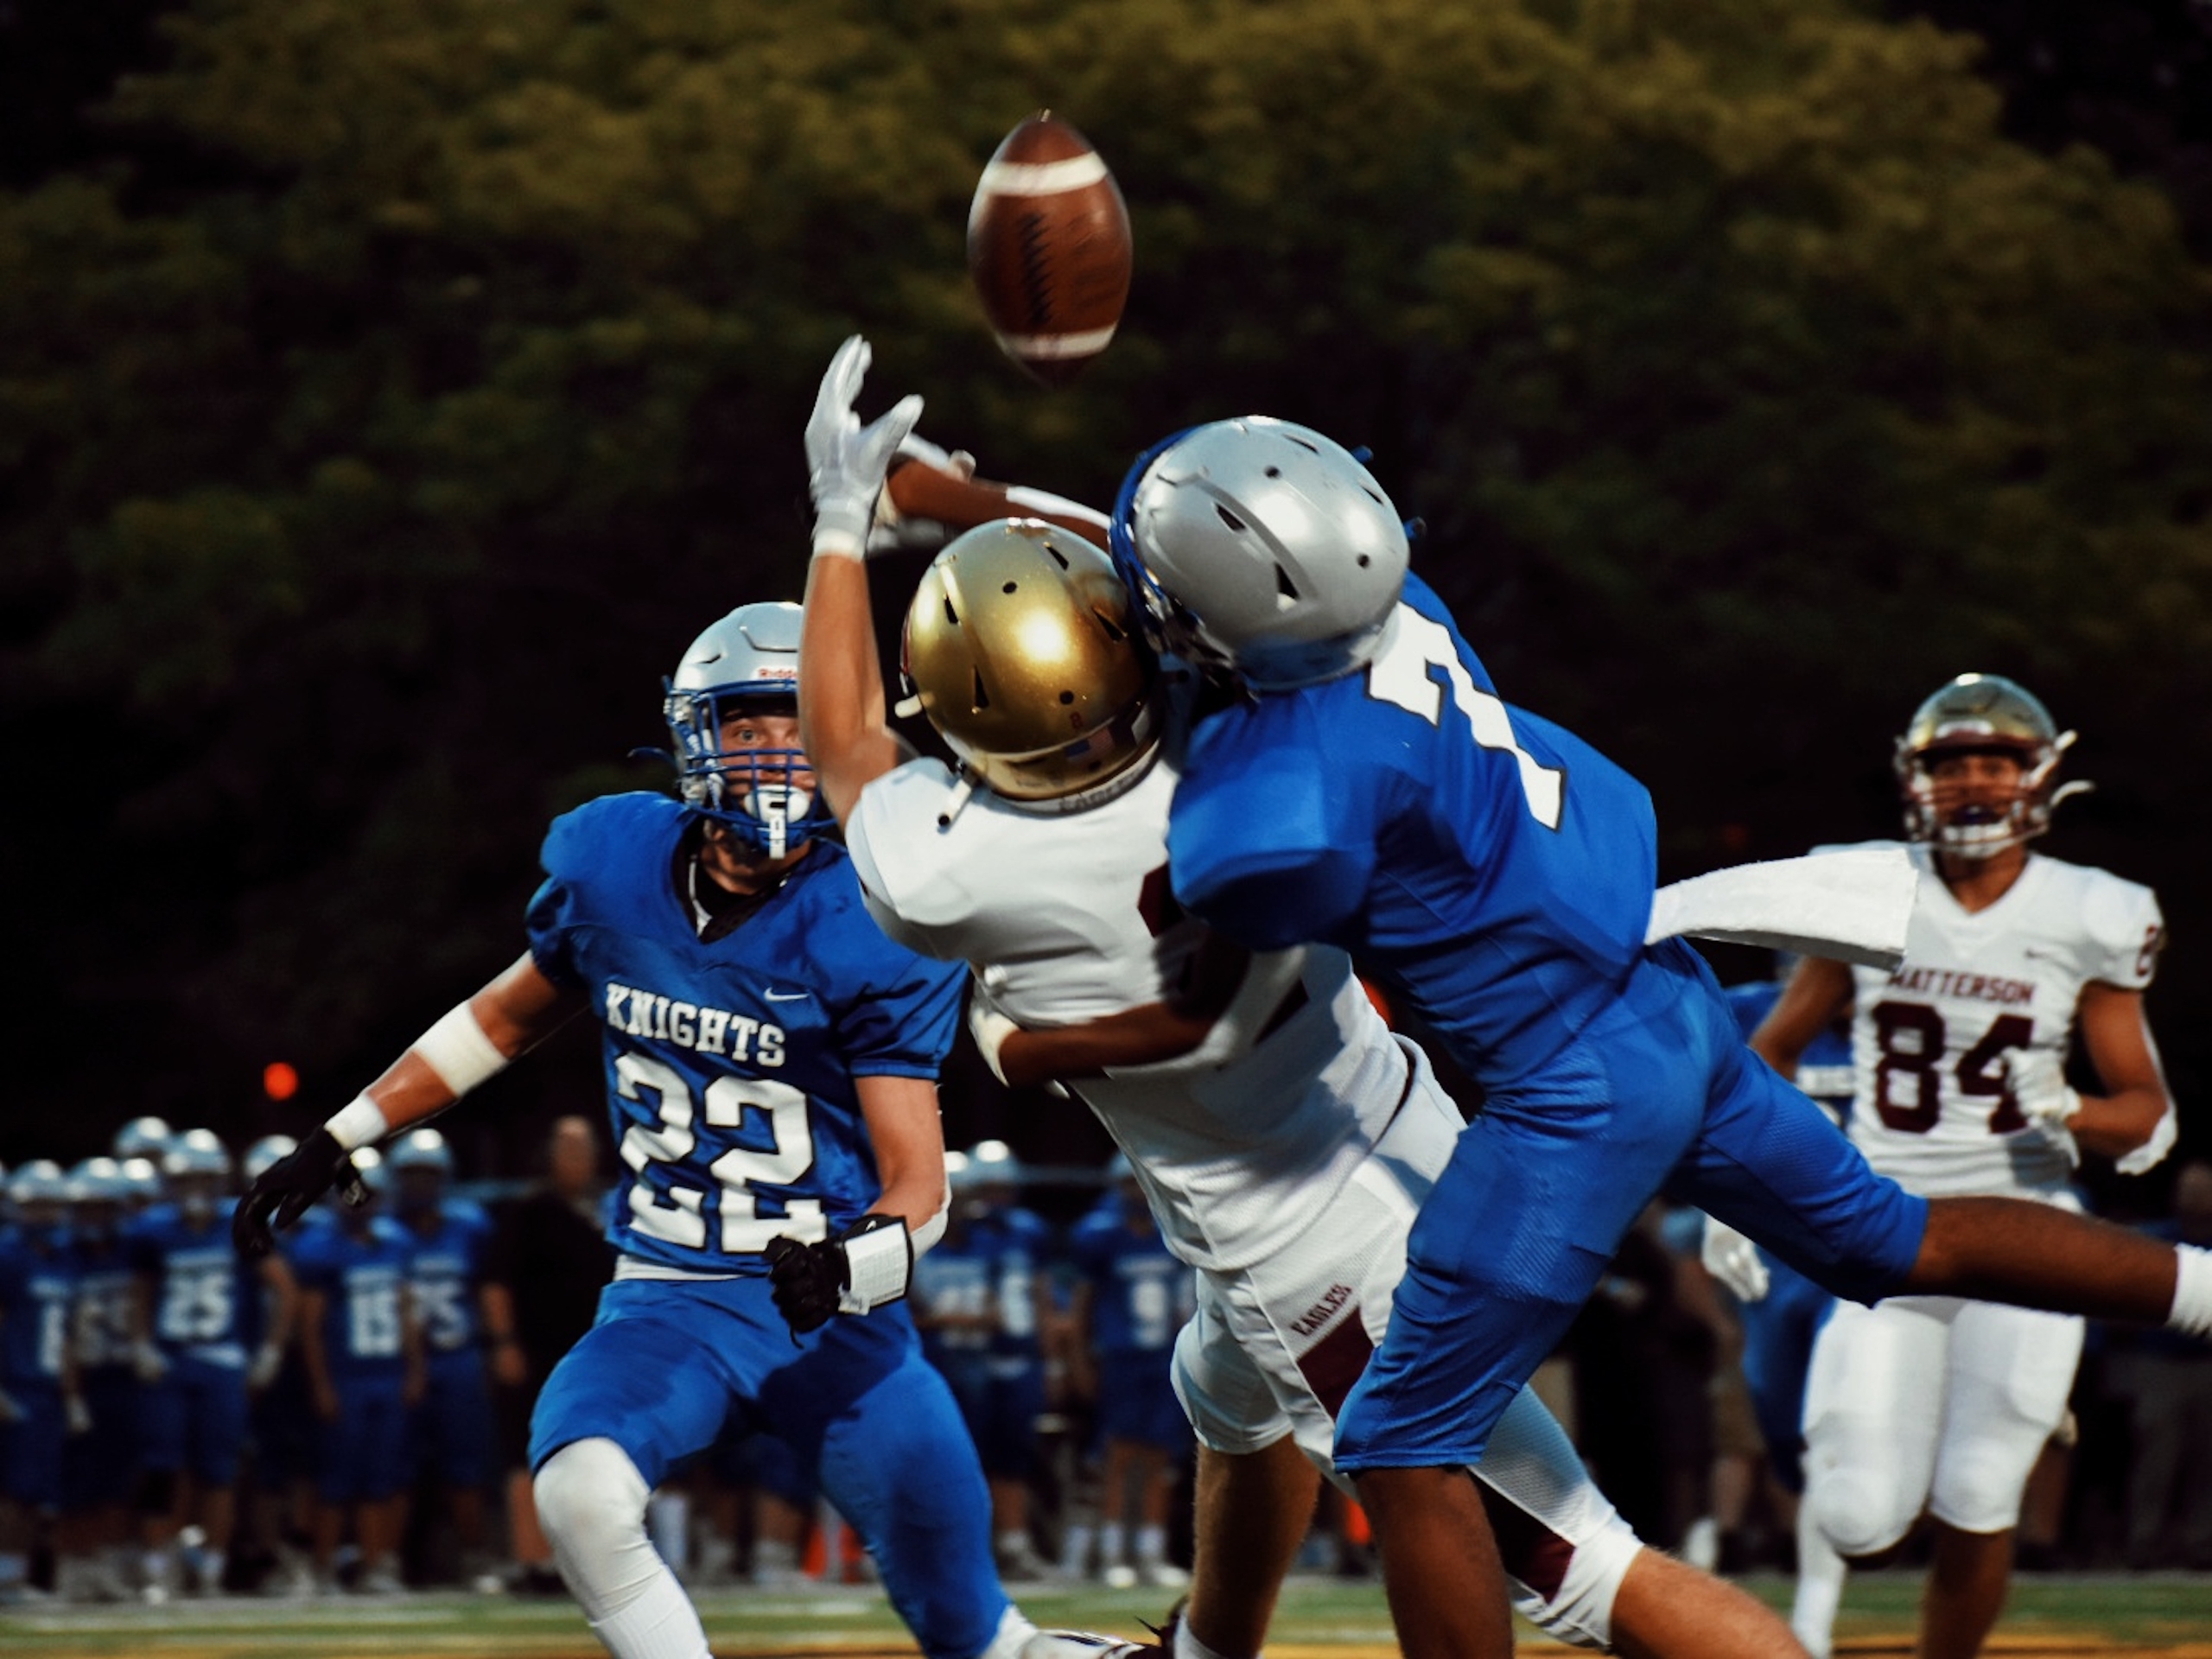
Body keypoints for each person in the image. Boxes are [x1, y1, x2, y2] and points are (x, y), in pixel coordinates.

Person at [1094, 412, 2212, 1659]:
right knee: (1898, 1236)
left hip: (1571, 1089)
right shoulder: (1404, 608)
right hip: (1666, 990)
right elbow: (1236, 609)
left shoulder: (1283, 788)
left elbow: (1228, 909)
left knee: (1407, 1444)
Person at [791, 336, 1827, 1659]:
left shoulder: (960, 863)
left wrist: (838, 526)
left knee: (1579, 1572)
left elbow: (845, 749)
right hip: (1395, 1127)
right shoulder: (1243, 727)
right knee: (1230, 1399)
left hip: (1307, 1255)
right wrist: (971, 501)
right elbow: (1181, 560)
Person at [232, 599, 1130, 1659]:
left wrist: (848, 1270)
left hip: (836, 1322)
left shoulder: (878, 918)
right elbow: (504, 1018)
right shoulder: (612, 866)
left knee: (980, 1635)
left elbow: (916, 1184)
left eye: (799, 723)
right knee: (578, 1492)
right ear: (693, 735)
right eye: (748, 725)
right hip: (668, 1295)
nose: (776, 753)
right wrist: (348, 1130)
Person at [1744, 672, 2172, 1659]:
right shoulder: (1862, 887)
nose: (1972, 781)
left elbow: (2146, 1113)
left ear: (2038, 778)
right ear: (1913, 777)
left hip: (2026, 1221)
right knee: (1858, 1513)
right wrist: (1749, 1201)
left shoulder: (2092, 912)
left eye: (1995, 761)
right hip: (1887, 1222)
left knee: (1980, 1488)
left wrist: (2077, 1110)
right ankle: (1820, 1578)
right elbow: (1763, 1062)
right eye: (1951, 763)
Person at [129, 1128, 294, 1600]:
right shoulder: (153, 1229)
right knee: (165, 1465)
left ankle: (212, 1568)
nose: (197, 1189)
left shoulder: (238, 1221)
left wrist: (270, 1350)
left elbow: (281, 1287)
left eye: (205, 1178)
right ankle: (160, 1564)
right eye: (188, 1178)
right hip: (171, 1359)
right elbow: (141, 1292)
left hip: (223, 1360)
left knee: (219, 1470)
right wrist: (141, 1343)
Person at [289, 1150, 420, 1594]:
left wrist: (414, 1369)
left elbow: (406, 1312)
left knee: (382, 1477)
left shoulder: (396, 1242)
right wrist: (322, 1384)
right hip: (347, 1375)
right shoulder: (319, 1249)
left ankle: (375, 1565)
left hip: (387, 1372)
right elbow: (310, 1327)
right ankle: (324, 1567)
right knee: (336, 1478)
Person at [1066, 1157, 1194, 1590]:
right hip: (1121, 1356)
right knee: (1119, 1456)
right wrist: (1079, 1359)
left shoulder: (1174, 1232)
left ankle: (1149, 1551)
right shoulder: (1101, 1235)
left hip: (1164, 1355)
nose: (1138, 1192)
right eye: (1130, 1183)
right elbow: (1082, 1304)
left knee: (1161, 1459)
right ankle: (1113, 1551)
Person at [385, 1127, 504, 1589]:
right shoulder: (385, 1230)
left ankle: (475, 1556)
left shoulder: (469, 1226)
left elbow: (486, 1291)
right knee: (394, 1469)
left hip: (458, 1359)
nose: (419, 1185)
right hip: (396, 1366)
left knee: (466, 1469)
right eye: (410, 1175)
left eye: (427, 1175)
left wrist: (494, 1347)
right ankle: (388, 1561)